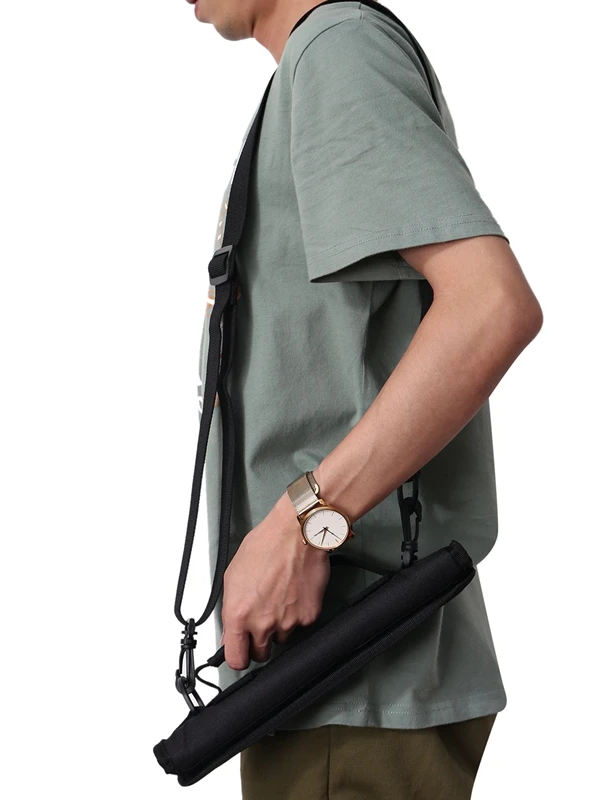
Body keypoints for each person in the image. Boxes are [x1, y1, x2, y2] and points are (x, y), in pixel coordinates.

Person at [189, 1, 543, 797]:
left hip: (353, 679)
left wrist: (302, 525)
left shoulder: (338, 54)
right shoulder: (321, 63)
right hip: (337, 677)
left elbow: (490, 307)